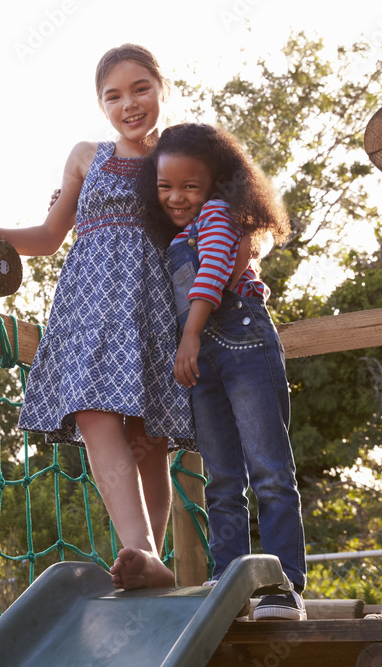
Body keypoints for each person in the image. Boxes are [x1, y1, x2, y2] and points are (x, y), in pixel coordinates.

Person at [0, 44, 191, 590]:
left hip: (151, 303)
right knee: (95, 415)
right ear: (101, 106)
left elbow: (204, 221)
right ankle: (139, 549)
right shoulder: (85, 156)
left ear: (162, 89)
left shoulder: (182, 154)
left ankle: (154, 562)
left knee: (150, 438)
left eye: (141, 88)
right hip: (89, 303)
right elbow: (50, 237)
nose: (129, 104)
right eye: (113, 95)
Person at [137, 123, 308, 620]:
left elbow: (212, 270)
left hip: (241, 341)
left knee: (270, 470)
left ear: (216, 184)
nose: (177, 197)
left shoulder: (218, 215)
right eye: (166, 186)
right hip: (203, 362)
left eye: (190, 185)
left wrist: (189, 335)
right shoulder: (175, 235)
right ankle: (227, 579)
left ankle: (283, 585)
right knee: (220, 478)